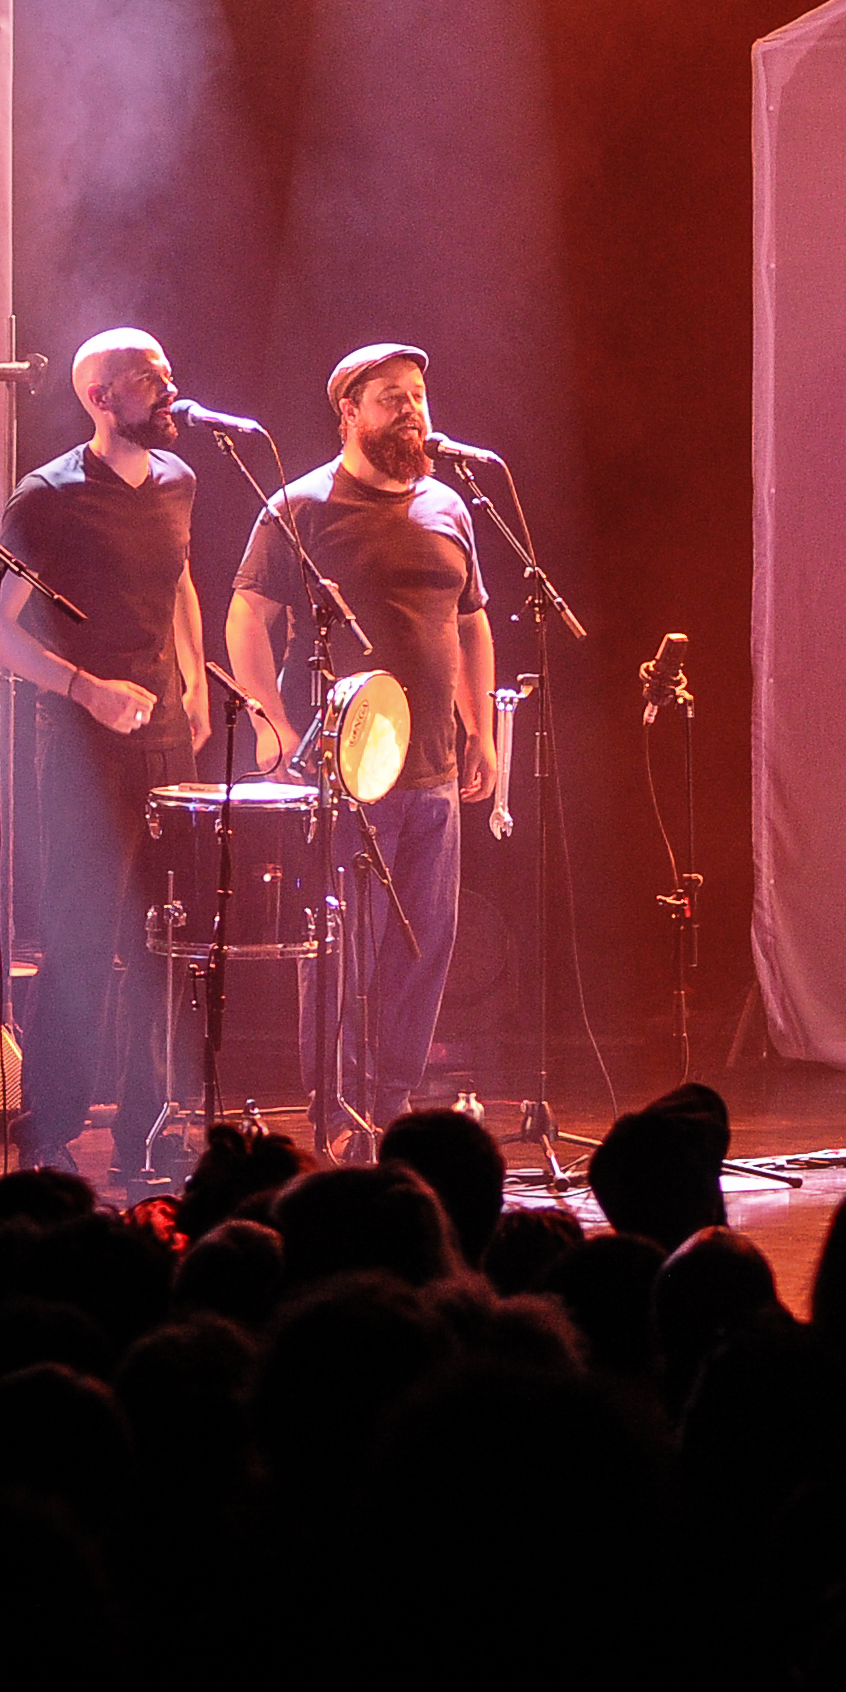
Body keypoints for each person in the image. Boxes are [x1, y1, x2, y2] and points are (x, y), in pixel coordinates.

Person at [227, 344, 495, 1127]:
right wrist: (271, 722)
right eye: (391, 397)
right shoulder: (301, 507)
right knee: (345, 951)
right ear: (349, 412)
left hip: (433, 772)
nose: (411, 409)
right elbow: (248, 614)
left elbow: (472, 624)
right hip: (345, 774)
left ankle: (395, 1103)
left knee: (425, 948)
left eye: (417, 393)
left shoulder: (449, 505)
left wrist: (481, 730)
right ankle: (338, 1111)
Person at [0, 327, 211, 1180]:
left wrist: (192, 687)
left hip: (164, 732)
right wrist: (87, 689)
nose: (167, 390)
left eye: (167, 373)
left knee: (165, 936)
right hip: (83, 745)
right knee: (81, 938)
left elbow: (180, 581)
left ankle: (150, 1126)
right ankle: (49, 1124)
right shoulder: (46, 496)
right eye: (146, 379)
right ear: (98, 396)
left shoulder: (179, 480)